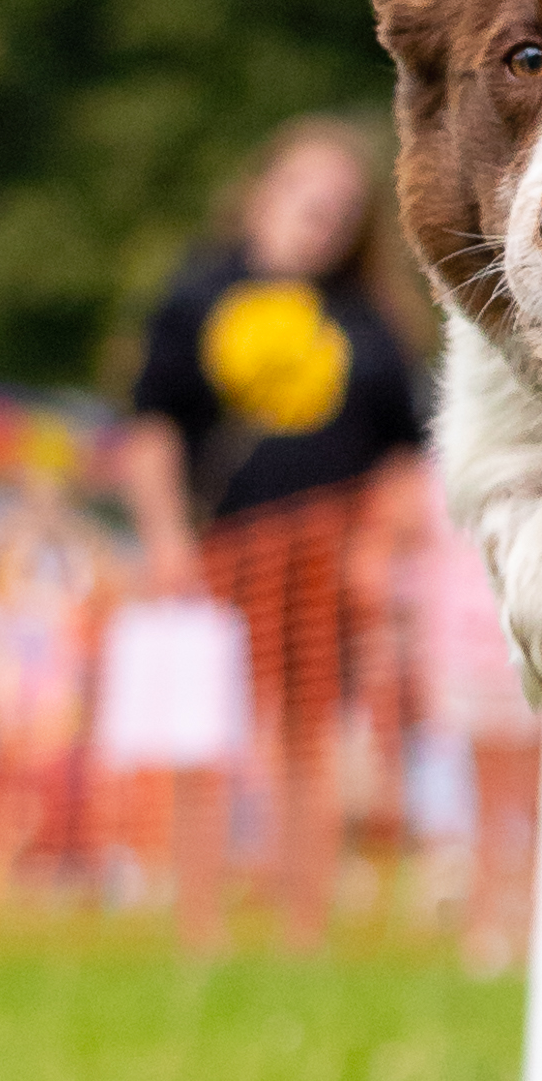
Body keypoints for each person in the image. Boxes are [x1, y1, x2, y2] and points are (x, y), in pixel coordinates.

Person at [122, 119, 431, 944]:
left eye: (340, 204)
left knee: (308, 742)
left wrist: (376, 548)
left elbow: (404, 456)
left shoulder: (371, 324)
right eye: (306, 192)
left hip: (323, 563)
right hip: (216, 556)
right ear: (264, 190)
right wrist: (163, 541)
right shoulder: (197, 294)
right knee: (203, 745)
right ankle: (200, 933)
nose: (320, 213)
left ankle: (302, 930)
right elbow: (150, 431)